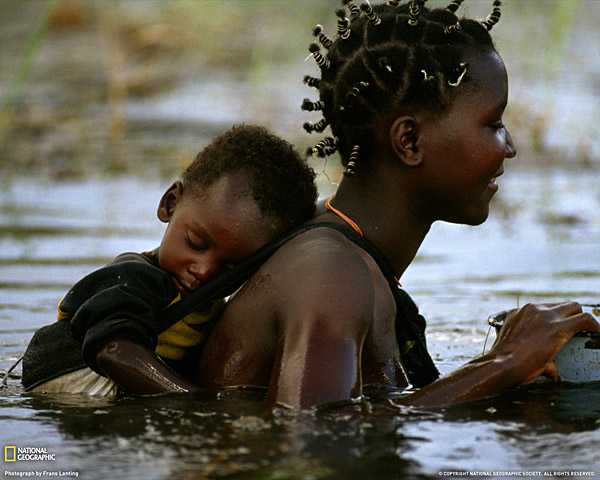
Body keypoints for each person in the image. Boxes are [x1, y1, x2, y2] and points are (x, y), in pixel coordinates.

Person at [93, 0, 599, 407]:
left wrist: (521, 374)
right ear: (409, 142)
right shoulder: (330, 271)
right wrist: (500, 366)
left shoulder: (352, 261)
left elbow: (377, 409)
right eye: (493, 123)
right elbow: (316, 447)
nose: (508, 146)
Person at [21, 124, 317, 396]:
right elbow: (113, 349)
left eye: (230, 268)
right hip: (64, 382)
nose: (203, 271)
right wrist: (193, 400)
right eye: (196, 243)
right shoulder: (136, 278)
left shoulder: (211, 308)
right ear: (170, 203)